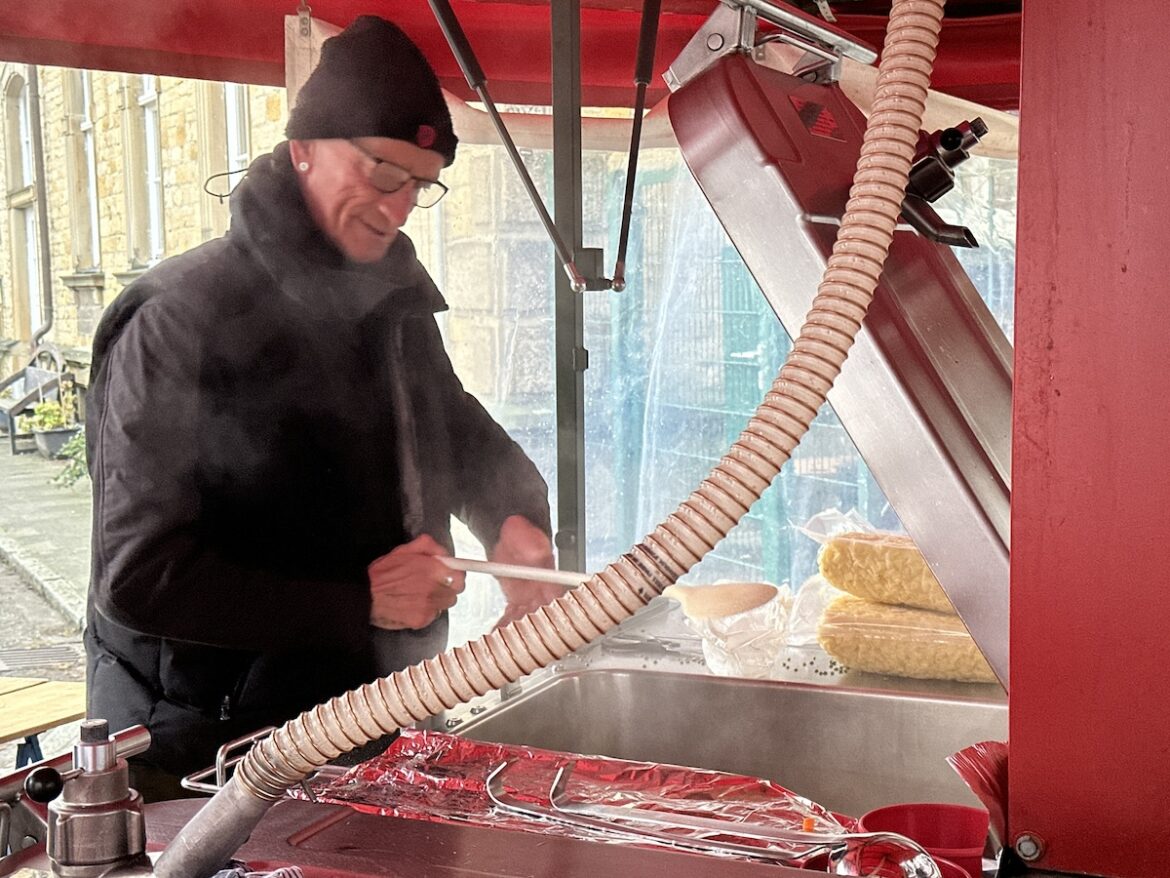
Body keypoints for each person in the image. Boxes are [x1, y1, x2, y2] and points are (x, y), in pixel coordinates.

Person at [84, 15, 560, 802]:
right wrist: (361, 604)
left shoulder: (392, 304)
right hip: (208, 754)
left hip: (373, 718)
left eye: (420, 185)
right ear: (304, 147)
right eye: (382, 172)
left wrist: (517, 521)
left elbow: (457, 432)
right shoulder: (178, 317)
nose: (399, 207)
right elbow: (141, 578)